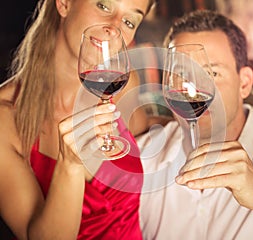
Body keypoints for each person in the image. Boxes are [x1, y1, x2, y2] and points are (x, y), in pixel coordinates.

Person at [0, 0, 156, 239]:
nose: (115, 28)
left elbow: (148, 135)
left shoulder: (122, 86)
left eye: (128, 21)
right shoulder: (5, 117)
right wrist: (70, 166)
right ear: (64, 3)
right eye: (104, 6)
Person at [138, 10, 253, 240]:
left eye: (211, 73)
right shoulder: (142, 157)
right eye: (182, 75)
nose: (193, 90)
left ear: (244, 84)